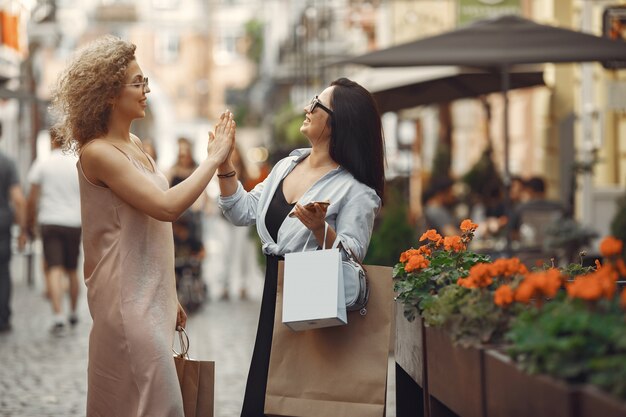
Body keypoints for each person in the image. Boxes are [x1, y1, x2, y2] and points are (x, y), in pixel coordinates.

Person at [50, 35, 234, 416]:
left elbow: (149, 229)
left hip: (148, 301)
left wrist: (170, 294)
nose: (146, 89)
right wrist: (214, 160)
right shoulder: (98, 152)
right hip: (125, 306)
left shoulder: (134, 143)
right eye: (138, 82)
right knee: (161, 407)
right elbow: (166, 208)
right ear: (109, 94)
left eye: (145, 80)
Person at [217, 77, 385, 416]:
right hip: (273, 298)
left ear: (337, 123)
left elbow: (353, 256)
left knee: (307, 400)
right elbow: (241, 211)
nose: (307, 108)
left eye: (317, 104)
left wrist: (320, 228)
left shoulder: (357, 191)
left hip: (315, 303)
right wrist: (223, 162)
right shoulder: (285, 166)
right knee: (269, 396)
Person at [27, 131, 82, 335]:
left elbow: (32, 197)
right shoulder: (77, 163)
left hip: (50, 220)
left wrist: (29, 222)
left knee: (54, 268)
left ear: (52, 140)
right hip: (74, 222)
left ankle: (58, 316)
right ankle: (74, 312)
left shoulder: (43, 163)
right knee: (72, 269)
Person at [0, 128, 28, 333]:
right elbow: (18, 199)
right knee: (2, 272)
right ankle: (2, 318)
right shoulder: (7, 162)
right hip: (2, 225)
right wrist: (23, 230)